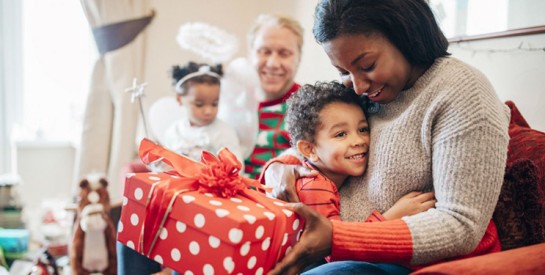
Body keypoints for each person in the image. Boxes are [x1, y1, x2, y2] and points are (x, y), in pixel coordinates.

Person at [265, 0, 510, 274]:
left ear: (406, 36)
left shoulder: (464, 94)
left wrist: (338, 238)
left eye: (367, 65)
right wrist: (279, 168)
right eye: (344, 72)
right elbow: (320, 140)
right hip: (337, 248)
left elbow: (462, 226)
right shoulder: (371, 92)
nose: (358, 86)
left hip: (416, 263)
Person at [286, 81, 435, 223]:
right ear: (309, 149)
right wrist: (392, 216)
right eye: (341, 134)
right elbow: (333, 243)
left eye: (363, 129)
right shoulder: (315, 188)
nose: (358, 140)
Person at [243, 13, 304, 179]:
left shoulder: (311, 106)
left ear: (298, 58)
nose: (273, 64)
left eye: (284, 54)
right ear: (251, 55)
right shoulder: (231, 102)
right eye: (264, 52)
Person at [163, 61, 243, 163]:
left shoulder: (224, 133)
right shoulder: (173, 133)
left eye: (214, 104)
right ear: (179, 99)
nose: (208, 111)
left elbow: (237, 167)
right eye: (199, 104)